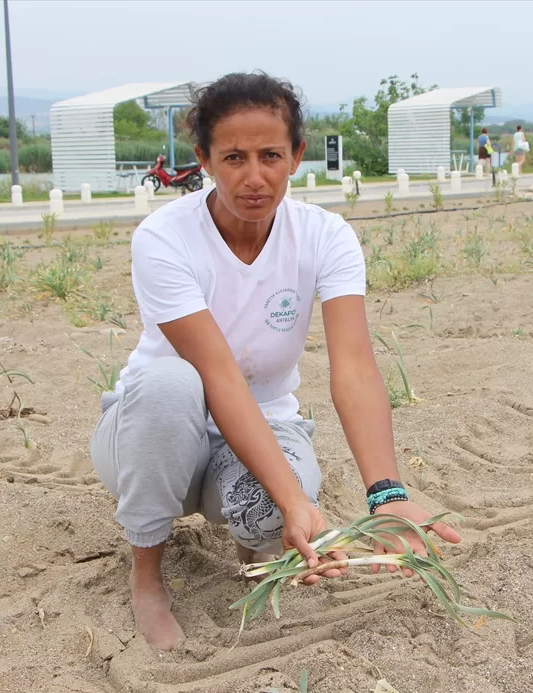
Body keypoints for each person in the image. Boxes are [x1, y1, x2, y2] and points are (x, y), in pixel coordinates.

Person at [90, 72, 461, 651]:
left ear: (296, 156)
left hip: (260, 422)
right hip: (152, 434)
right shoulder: (164, 237)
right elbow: (217, 374)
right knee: (170, 382)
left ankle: (258, 543)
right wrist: (295, 499)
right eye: (233, 157)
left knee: (280, 503)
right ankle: (147, 574)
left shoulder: (325, 236)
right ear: (204, 160)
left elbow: (354, 366)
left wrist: (385, 495)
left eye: (270, 155)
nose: (255, 177)